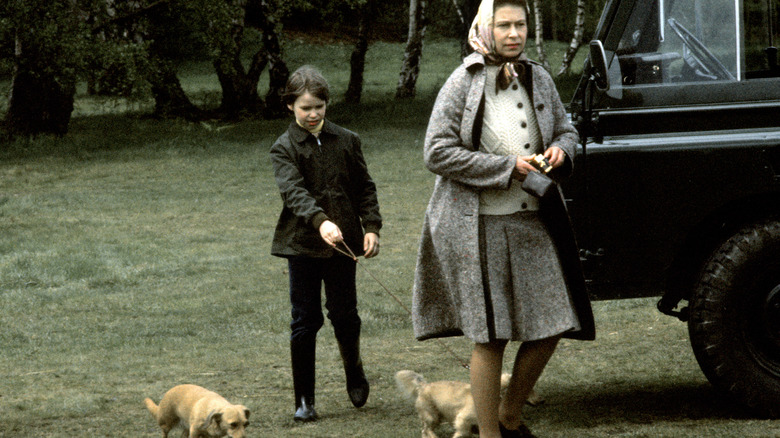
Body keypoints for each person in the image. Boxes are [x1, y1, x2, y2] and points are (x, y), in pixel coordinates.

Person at [411, 1, 595, 437]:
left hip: (534, 223)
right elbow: (435, 152)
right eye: (504, 25)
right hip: (480, 229)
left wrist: (561, 150)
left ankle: (510, 415)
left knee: (554, 323)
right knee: (491, 335)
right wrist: (506, 167)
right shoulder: (463, 80)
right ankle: (490, 433)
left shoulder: (539, 77)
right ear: (485, 27)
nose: (514, 33)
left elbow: (567, 129)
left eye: (521, 25)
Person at [270, 65, 382, 423]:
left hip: (344, 245)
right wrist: (321, 222)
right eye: (305, 107)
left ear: (326, 103)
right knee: (305, 319)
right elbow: (294, 193)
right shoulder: (284, 147)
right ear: (290, 106)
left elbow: (365, 187)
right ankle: (304, 399)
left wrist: (371, 227)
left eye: (318, 106)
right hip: (301, 246)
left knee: (344, 314)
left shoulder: (348, 140)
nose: (313, 113)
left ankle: (355, 372)